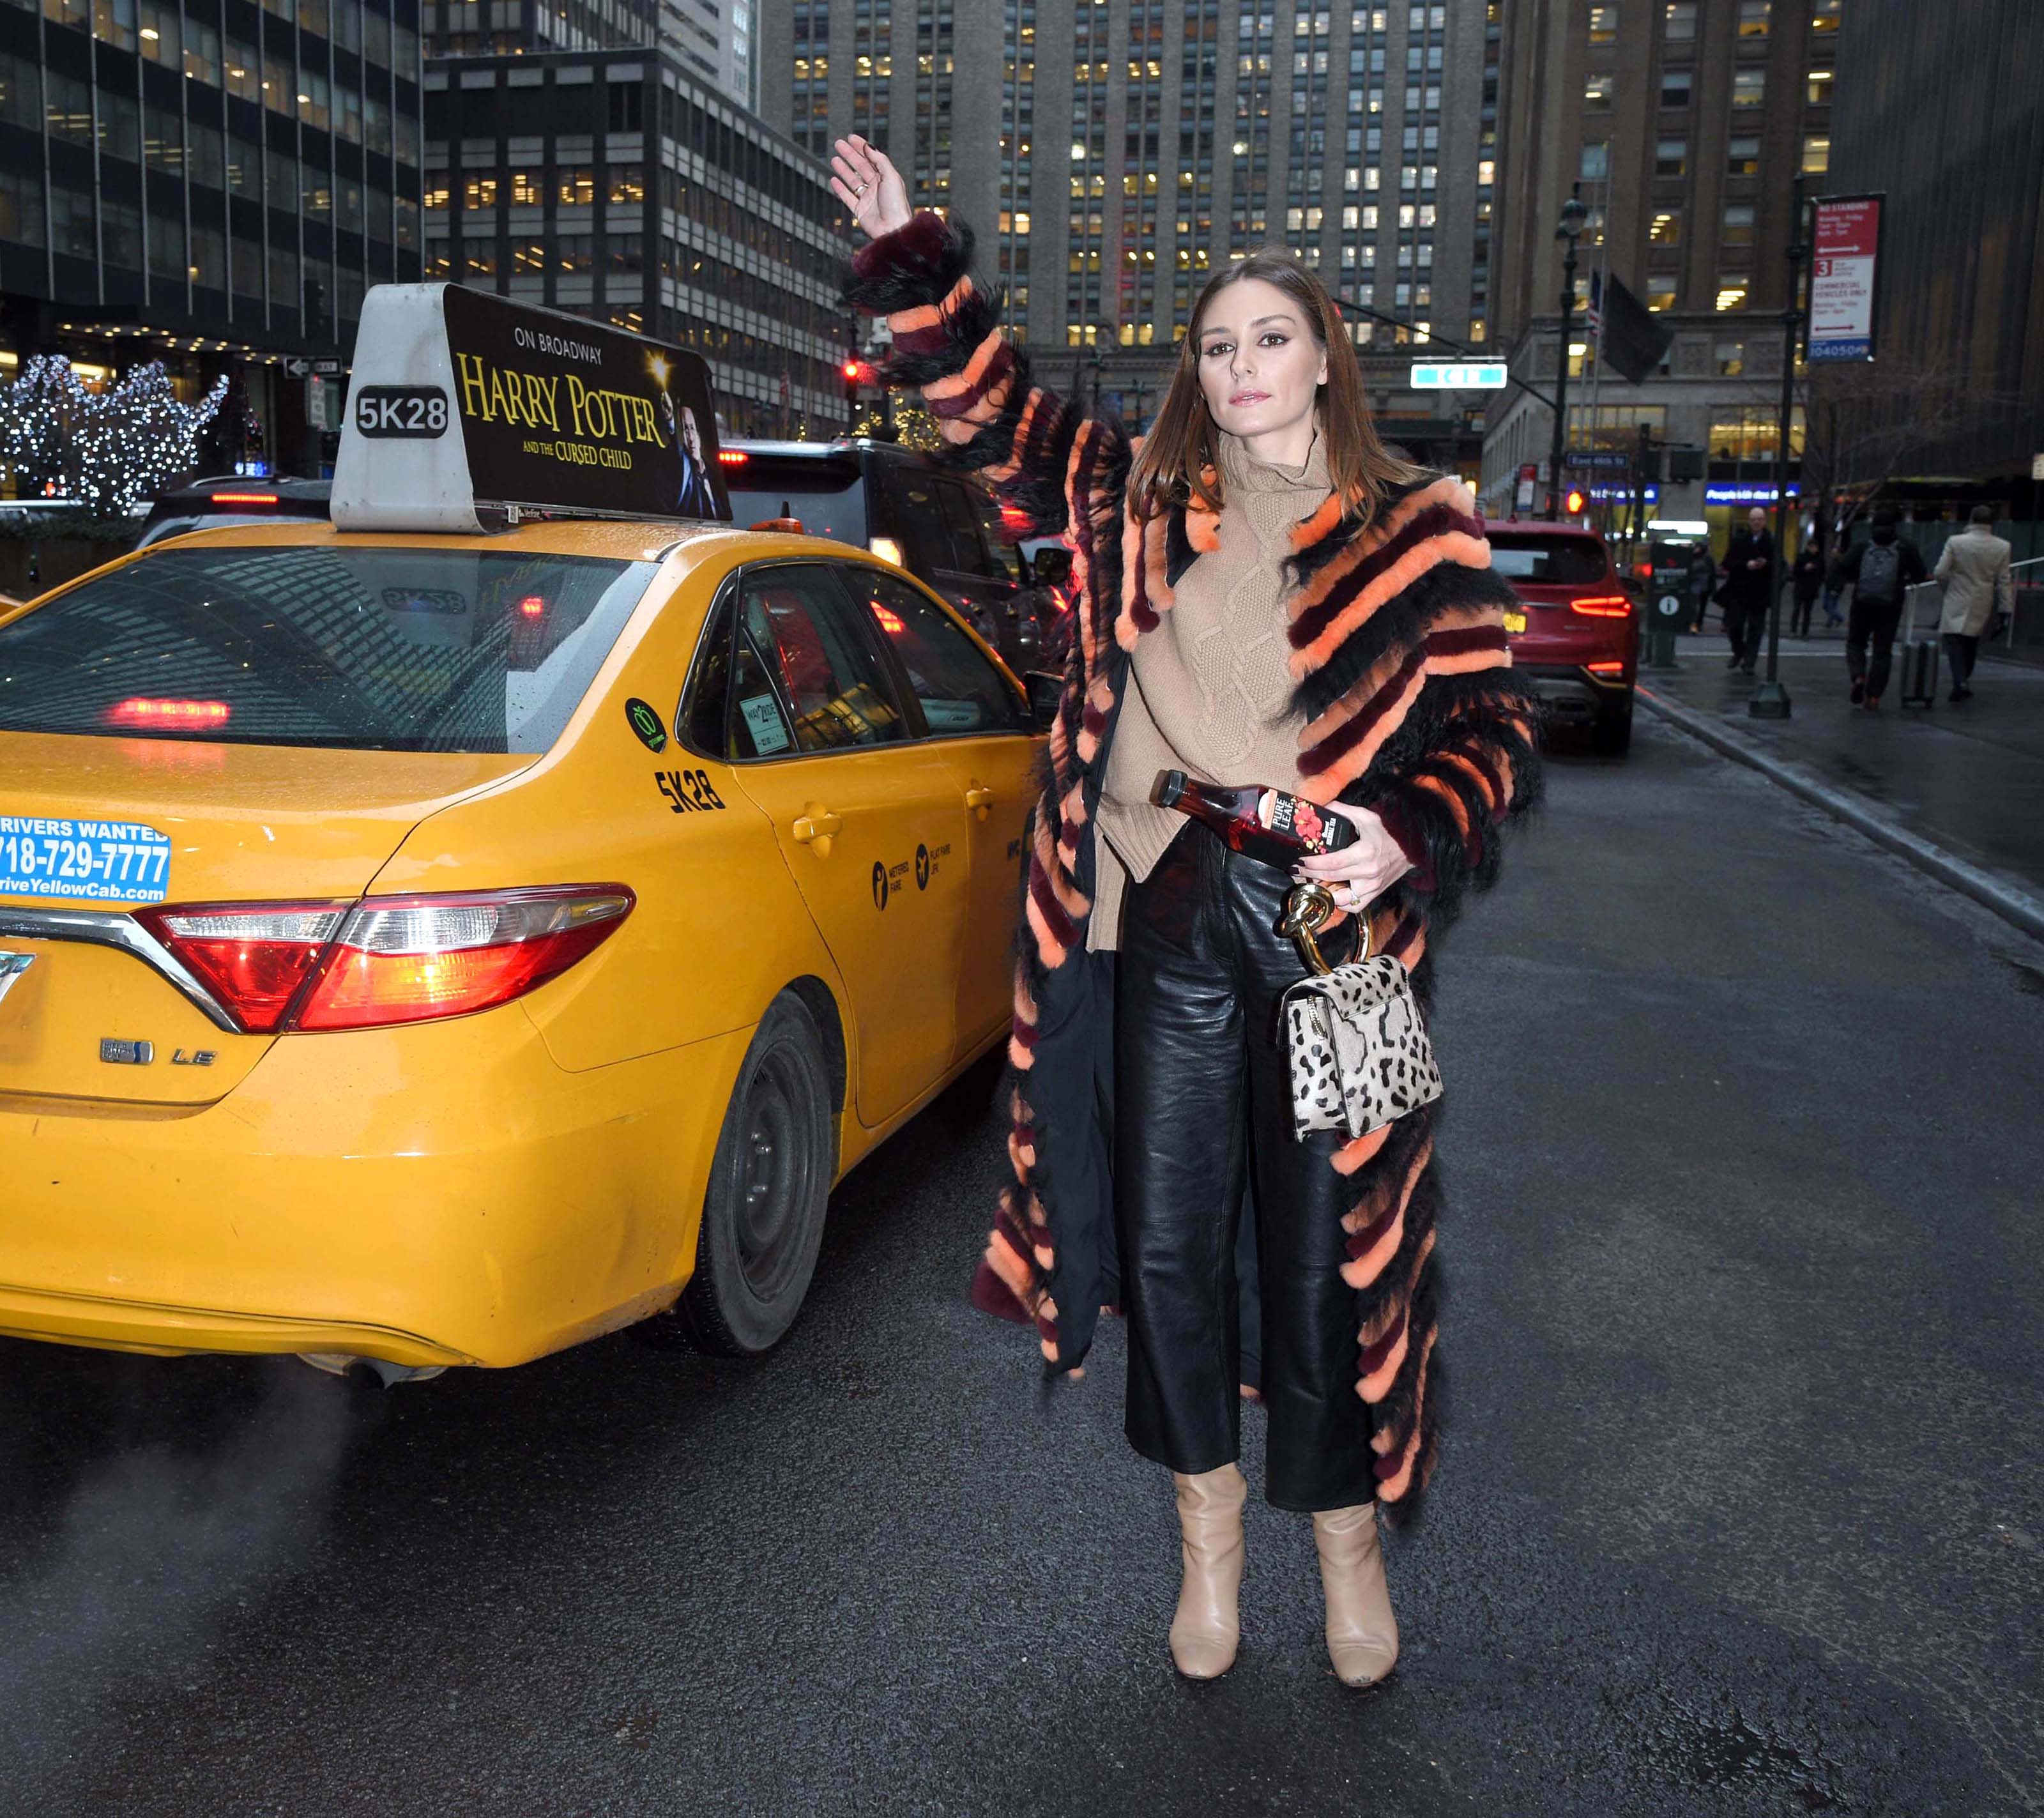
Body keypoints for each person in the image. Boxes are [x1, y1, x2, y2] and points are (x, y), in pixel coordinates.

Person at [834, 135, 1540, 1688]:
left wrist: (1406, 827)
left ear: (1322, 356)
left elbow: (1495, 734)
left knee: (1333, 1247)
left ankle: (1346, 1543)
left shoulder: (1419, 524)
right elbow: (993, 413)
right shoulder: (1138, 502)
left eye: (1268, 337)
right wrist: (914, 260)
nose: (1240, 366)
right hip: (1161, 912)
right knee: (1163, 1247)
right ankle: (1206, 1547)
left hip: (1335, 937)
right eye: (1217, 345)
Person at [1836, 507, 1928, 710]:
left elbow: (1844, 568)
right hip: (1891, 604)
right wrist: (1903, 581)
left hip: (1862, 603)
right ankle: (1875, 695)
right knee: (1882, 650)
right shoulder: (1905, 547)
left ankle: (1858, 676)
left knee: (1856, 643)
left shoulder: (1862, 547)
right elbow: (1921, 574)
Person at [1934, 505, 2013, 703]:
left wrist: (1948, 588)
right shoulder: (2003, 546)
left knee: (1953, 640)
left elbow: (1940, 572)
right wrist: (2006, 609)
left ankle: (1960, 681)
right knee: (1971, 641)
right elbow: (2004, 580)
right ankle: (1964, 679)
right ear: (1991, 523)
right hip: (1983, 596)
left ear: (1971, 519)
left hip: (1957, 593)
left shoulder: (1956, 542)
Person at [1717, 505, 1775, 673]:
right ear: (1749, 522)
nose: (1757, 523)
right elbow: (1727, 562)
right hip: (1739, 591)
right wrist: (1746, 565)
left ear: (1764, 521)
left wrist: (1765, 565)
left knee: (1756, 629)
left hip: (1760, 592)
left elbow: (1778, 566)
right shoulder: (1740, 540)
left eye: (1760, 519)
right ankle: (1739, 651)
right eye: (1754, 520)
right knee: (1734, 626)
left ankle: (1749, 662)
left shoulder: (1771, 541)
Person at [1790, 539, 1825, 638]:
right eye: (1812, 547)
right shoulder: (1801, 557)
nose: (1814, 549)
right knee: (1797, 609)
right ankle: (1793, 630)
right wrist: (1804, 569)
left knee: (1807, 612)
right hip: (1800, 588)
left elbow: (1822, 573)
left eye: (1815, 547)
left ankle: (1804, 632)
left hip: (1811, 589)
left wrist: (1818, 583)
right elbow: (1795, 572)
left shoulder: (1819, 559)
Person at [1686, 543, 1717, 634]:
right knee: (1695, 607)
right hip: (1698, 586)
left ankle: (1696, 625)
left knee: (1698, 608)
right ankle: (1695, 625)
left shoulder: (1705, 559)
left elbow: (1712, 574)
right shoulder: (1698, 558)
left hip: (1701, 586)